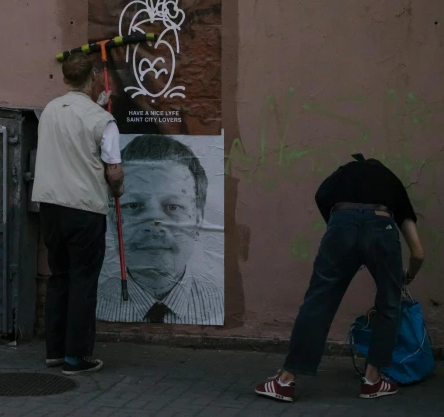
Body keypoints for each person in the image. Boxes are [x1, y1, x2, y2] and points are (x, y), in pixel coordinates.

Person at [255, 153, 425, 402]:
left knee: (318, 303)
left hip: (340, 225)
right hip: (382, 226)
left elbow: (321, 195)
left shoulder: (341, 175)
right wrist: (406, 277)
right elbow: (418, 253)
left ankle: (285, 381)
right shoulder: (391, 183)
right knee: (389, 303)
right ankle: (372, 380)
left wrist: (340, 229)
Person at [31, 52, 125, 376]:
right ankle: (77, 357)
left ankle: (55, 352)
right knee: (84, 282)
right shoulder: (102, 120)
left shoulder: (50, 111)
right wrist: (119, 192)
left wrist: (96, 103)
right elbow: (114, 171)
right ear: (96, 75)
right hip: (84, 209)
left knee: (59, 278)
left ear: (65, 78)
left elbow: (72, 129)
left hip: (50, 207)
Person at [96, 135, 224, 325]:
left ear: (198, 219)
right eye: (133, 206)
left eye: (173, 207)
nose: (155, 225)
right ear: (114, 220)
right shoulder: (95, 306)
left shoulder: (220, 307)